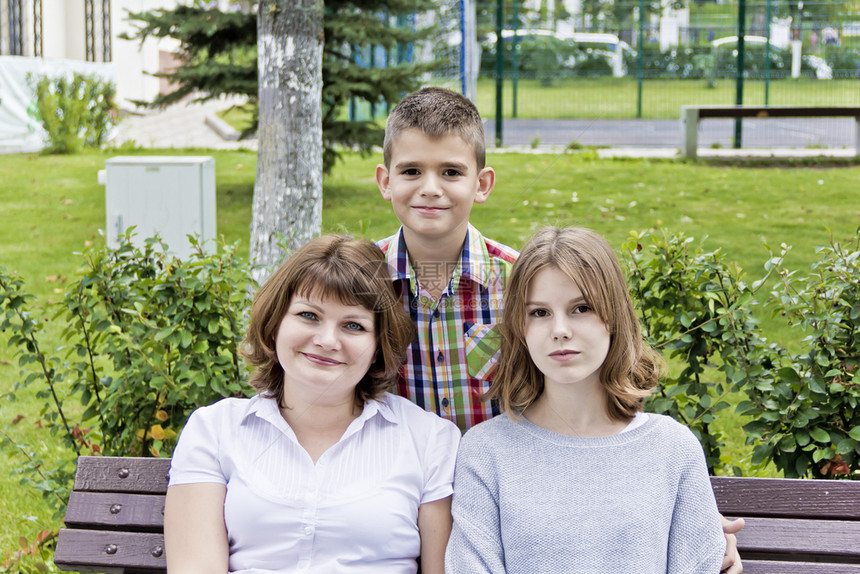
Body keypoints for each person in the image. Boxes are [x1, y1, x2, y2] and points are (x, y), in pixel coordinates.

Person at [375, 88, 744, 572]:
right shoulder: (362, 289)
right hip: (396, 512)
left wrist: (680, 521)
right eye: (410, 171)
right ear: (384, 179)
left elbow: (601, 414)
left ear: (482, 182)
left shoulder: (523, 284)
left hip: (522, 508)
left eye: (449, 171)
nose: (429, 188)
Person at [164, 235, 460, 574]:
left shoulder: (429, 440)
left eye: (353, 325)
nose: (326, 341)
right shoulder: (214, 431)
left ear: (378, 344)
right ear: (276, 323)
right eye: (308, 315)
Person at [445, 226, 727, 573]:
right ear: (520, 327)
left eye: (581, 308)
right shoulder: (485, 452)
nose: (560, 329)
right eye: (539, 312)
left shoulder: (672, 449)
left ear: (613, 318)